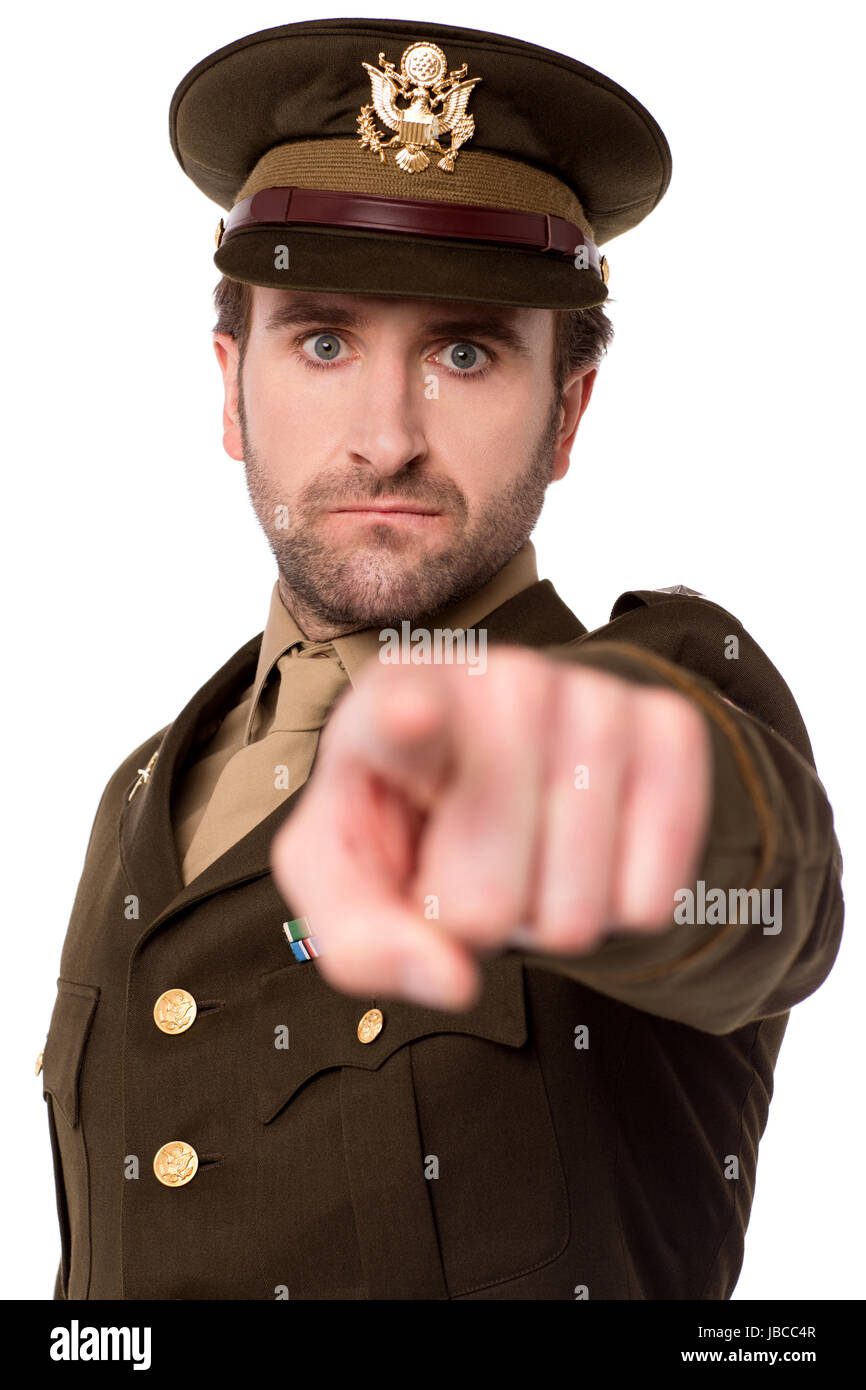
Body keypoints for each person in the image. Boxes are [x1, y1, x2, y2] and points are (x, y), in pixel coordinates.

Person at [39, 16, 843, 1301]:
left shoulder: (668, 689)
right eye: (322, 341)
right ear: (227, 385)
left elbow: (754, 900)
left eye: (462, 353)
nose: (384, 438)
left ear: (566, 410)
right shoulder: (143, 790)